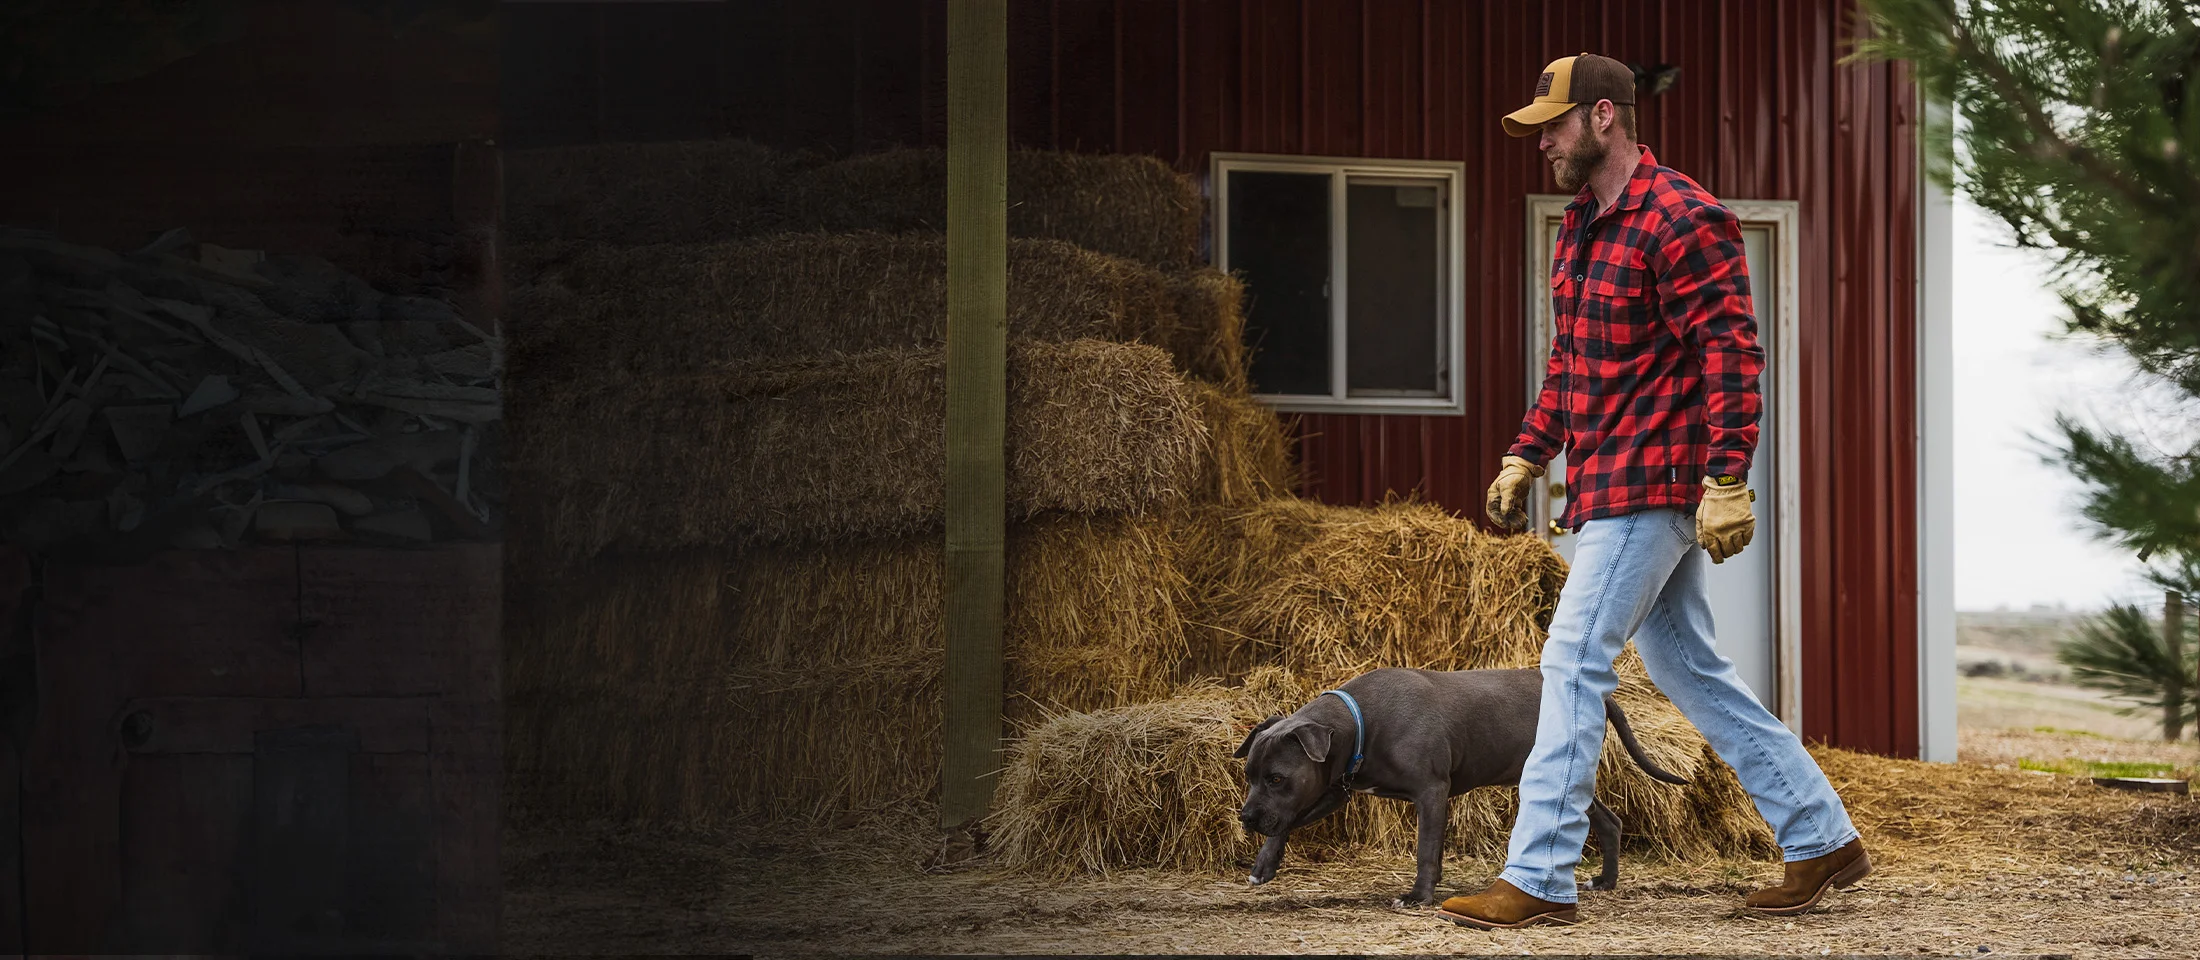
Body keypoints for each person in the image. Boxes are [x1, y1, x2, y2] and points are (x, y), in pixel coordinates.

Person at [1435, 53, 1870, 930]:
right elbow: (1574, 366)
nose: (1543, 140)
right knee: (1689, 668)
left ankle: (1541, 876)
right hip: (1604, 481)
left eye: (1553, 123)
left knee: (1571, 661)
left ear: (1604, 117)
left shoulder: (1682, 217)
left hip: (1654, 486)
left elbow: (1732, 353)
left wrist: (1727, 477)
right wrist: (1529, 452)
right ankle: (1821, 836)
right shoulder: (1582, 226)